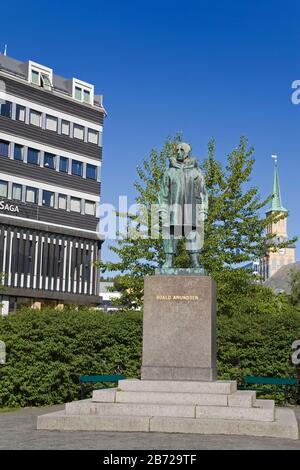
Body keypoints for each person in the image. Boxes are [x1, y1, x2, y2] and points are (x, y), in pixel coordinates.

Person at [158, 142, 208, 268]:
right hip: (173, 208)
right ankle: (168, 260)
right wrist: (162, 209)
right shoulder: (169, 172)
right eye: (177, 149)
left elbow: (203, 193)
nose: (179, 152)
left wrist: (203, 210)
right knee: (170, 233)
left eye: (182, 149)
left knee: (192, 233)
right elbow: (164, 192)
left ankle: (195, 261)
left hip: (191, 207)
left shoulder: (196, 172)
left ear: (187, 153)